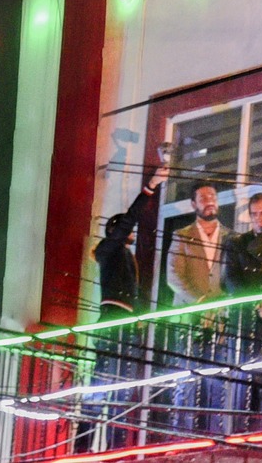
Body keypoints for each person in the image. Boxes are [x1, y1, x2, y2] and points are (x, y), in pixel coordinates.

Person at [84, 154, 164, 448]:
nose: (129, 235)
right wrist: (150, 188)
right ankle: (85, 442)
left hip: (126, 324)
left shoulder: (125, 256)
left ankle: (115, 447)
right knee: (102, 384)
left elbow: (136, 294)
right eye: (124, 232)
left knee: (121, 387)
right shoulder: (109, 250)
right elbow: (130, 217)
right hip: (112, 320)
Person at [165, 183, 231, 432]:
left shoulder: (230, 236)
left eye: (213, 196)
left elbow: (232, 277)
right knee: (186, 376)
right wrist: (200, 303)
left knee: (217, 378)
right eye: (203, 197)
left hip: (220, 322)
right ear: (194, 204)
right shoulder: (182, 235)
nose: (209, 200)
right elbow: (173, 276)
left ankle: (214, 433)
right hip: (189, 321)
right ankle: (181, 434)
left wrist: (219, 306)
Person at [224, 192, 262, 422]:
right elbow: (231, 281)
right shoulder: (238, 244)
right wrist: (257, 301)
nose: (259, 218)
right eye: (254, 214)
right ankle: (240, 426)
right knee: (243, 379)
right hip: (246, 321)